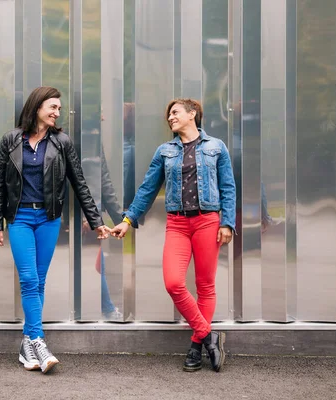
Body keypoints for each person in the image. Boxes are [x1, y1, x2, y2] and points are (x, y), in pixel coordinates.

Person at [0, 86, 111, 374]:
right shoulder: (11, 140)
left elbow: (79, 183)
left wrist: (95, 221)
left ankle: (27, 345)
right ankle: (38, 341)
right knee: (29, 279)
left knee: (39, 281)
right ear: (37, 107)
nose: (58, 112)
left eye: (58, 108)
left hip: (49, 219)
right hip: (19, 218)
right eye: (53, 107)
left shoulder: (62, 142)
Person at [110, 98, 236, 373]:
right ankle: (209, 336)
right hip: (177, 224)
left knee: (205, 285)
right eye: (168, 115)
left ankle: (195, 347)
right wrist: (128, 219)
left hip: (207, 221)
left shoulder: (216, 147)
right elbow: (147, 189)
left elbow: (228, 186)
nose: (170, 118)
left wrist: (227, 223)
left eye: (175, 112)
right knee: (173, 283)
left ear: (193, 114)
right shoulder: (165, 151)